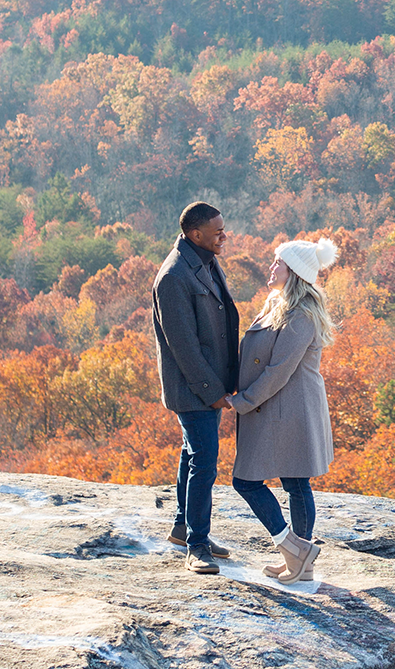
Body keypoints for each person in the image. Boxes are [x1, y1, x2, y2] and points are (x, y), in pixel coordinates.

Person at [228, 236, 339, 584]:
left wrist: (243, 401)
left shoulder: (302, 315)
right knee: (287, 481)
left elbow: (279, 370)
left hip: (292, 409)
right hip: (277, 408)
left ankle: (297, 554)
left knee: (277, 481)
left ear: (294, 273)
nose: (271, 267)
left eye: (279, 263)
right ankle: (298, 558)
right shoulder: (277, 304)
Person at [150, 201, 239, 575]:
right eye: (217, 230)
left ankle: (182, 527)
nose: (224, 234)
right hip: (194, 387)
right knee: (204, 461)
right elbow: (183, 347)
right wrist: (211, 390)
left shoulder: (203, 259)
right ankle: (197, 546)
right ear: (195, 233)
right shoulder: (173, 277)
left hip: (212, 382)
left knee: (192, 453)